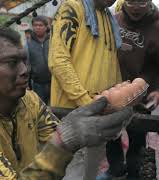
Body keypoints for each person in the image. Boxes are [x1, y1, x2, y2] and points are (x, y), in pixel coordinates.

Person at [0, 26, 132, 179]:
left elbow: (54, 136)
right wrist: (63, 141)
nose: (25, 70)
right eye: (11, 62)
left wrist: (98, 123)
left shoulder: (28, 99)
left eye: (24, 60)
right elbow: (60, 142)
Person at [97, 0, 159, 179]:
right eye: (132, 1)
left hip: (141, 97)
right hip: (113, 93)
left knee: (137, 142)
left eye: (141, 2)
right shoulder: (113, 20)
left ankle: (134, 174)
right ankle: (115, 169)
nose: (135, 7)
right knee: (111, 137)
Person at [48, 0, 123, 178]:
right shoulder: (72, 8)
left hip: (99, 114)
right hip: (72, 113)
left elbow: (111, 65)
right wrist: (86, 102)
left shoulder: (107, 16)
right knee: (74, 171)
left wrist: (117, 104)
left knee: (90, 170)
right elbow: (58, 61)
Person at [28, 16, 51, 104]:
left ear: (46, 27)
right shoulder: (29, 44)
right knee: (40, 106)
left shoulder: (52, 41)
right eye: (35, 25)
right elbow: (27, 64)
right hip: (37, 84)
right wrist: (27, 84)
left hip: (53, 82)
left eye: (40, 25)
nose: (38, 27)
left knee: (55, 106)